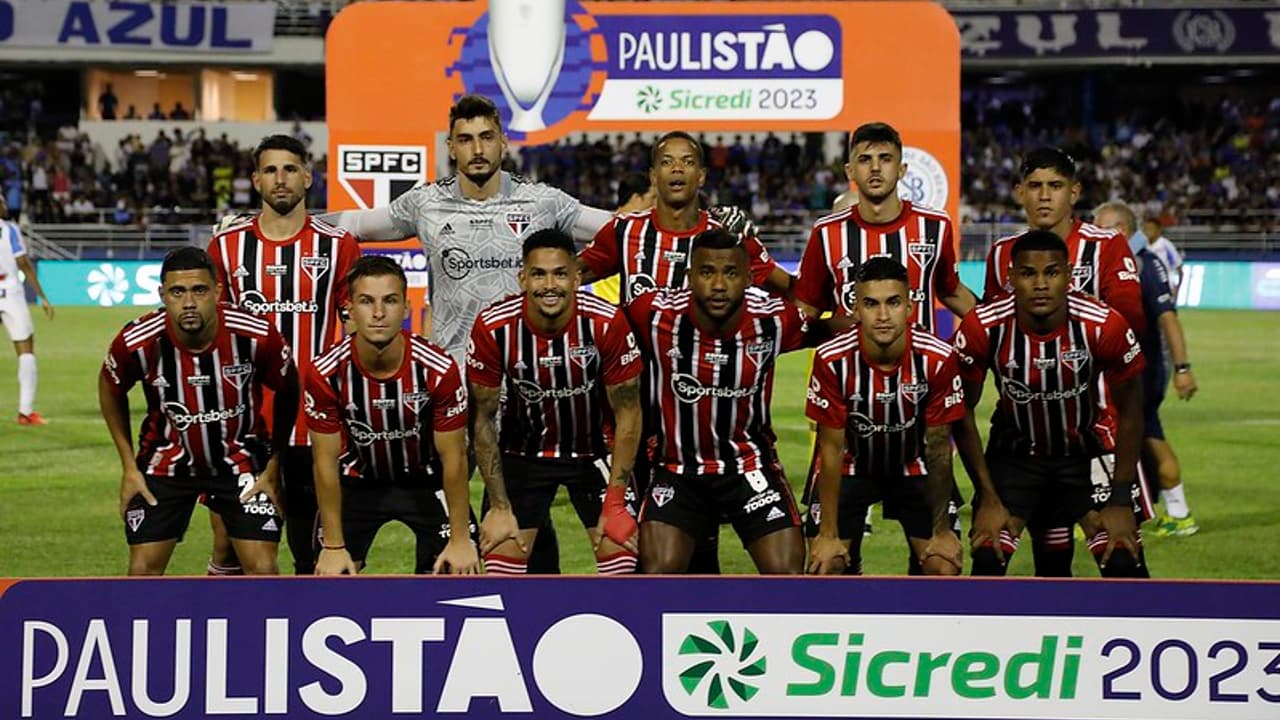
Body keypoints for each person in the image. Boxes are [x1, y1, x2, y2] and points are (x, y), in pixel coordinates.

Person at [321, 95, 617, 573]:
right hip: (451, 386)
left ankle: (530, 609)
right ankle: (435, 610)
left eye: (485, 137)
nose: (477, 148)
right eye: (465, 139)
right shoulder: (426, 203)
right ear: (450, 148)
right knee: (438, 507)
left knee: (524, 515)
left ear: (503, 142)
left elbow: (620, 230)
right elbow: (356, 224)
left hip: (526, 392)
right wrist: (277, 226)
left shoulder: (543, 202)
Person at [579, 131, 792, 574]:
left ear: (701, 174)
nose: (676, 169)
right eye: (667, 162)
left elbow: (788, 290)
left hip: (706, 411)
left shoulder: (728, 239)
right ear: (653, 174)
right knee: (649, 548)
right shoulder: (625, 231)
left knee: (701, 547)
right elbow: (570, 275)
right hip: (639, 412)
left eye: (687, 162)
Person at [793, 122, 977, 564]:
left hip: (919, 415)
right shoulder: (828, 233)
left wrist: (996, 328)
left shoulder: (934, 227)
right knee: (829, 562)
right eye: (865, 159)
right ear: (849, 169)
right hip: (848, 417)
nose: (875, 168)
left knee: (941, 561)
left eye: (885, 158)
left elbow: (951, 289)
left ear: (902, 167)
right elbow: (805, 307)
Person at [983, 147, 1147, 576]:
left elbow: (1129, 328)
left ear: (1074, 192)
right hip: (1026, 438)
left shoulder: (1107, 246)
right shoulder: (1003, 254)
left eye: (1054, 186)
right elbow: (996, 334)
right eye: (1034, 186)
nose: (1044, 196)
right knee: (1049, 555)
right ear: (1019, 192)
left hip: (1098, 432)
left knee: (1123, 557)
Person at [627, 228, 828, 574]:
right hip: (678, 471)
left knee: (788, 579)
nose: (719, 285)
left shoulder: (774, 320)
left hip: (749, 469)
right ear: (689, 277)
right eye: (707, 272)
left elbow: (831, 329)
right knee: (656, 577)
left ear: (749, 277)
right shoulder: (654, 314)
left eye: (731, 273)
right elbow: (603, 332)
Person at [208, 134, 361, 575]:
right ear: (256, 179)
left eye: (290, 169)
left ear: (307, 177)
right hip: (247, 424)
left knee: (313, 550)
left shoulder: (338, 246)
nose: (281, 179)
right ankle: (231, 635)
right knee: (231, 546)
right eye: (270, 170)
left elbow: (354, 329)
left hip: (317, 425)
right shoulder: (227, 245)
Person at [99, 247, 298, 575]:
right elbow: (109, 387)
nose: (188, 302)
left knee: (263, 570)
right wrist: (128, 467)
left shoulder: (255, 334)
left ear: (217, 291)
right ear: (162, 293)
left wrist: (275, 464)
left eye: (199, 290)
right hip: (164, 465)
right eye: (177, 292)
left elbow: (289, 389)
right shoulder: (137, 341)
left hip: (242, 462)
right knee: (141, 572)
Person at [468, 229, 644, 574]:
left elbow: (629, 413)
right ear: (523, 278)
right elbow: (483, 420)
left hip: (595, 453)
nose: (550, 285)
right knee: (500, 568)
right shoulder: (494, 327)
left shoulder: (606, 322)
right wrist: (500, 506)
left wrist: (617, 501)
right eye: (538, 274)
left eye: (560, 273)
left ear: (577, 277)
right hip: (522, 454)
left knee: (624, 562)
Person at [805, 257, 979, 576]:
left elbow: (939, 448)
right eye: (871, 304)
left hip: (915, 464)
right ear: (855, 309)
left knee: (943, 567)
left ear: (910, 307)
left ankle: (918, 575)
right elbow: (829, 450)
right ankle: (849, 562)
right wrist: (827, 535)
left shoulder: (938, 358)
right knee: (825, 565)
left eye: (893, 303)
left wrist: (941, 531)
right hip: (850, 465)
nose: (883, 316)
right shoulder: (831, 359)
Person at [306, 257, 480, 575]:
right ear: (349, 309)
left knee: (459, 571)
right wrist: (333, 546)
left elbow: (454, 458)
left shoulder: (437, 369)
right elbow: (324, 461)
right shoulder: (325, 372)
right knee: (331, 578)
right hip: (356, 483)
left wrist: (460, 539)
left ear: (405, 308)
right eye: (366, 301)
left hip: (426, 481)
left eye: (390, 300)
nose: (378, 313)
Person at [1094, 202, 1199, 536]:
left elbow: (1167, 318)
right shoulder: (1120, 262)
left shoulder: (1141, 263)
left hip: (1141, 370)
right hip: (1129, 368)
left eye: (1101, 226)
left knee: (1145, 433)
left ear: (1121, 230)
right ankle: (1169, 511)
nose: (1093, 232)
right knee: (1137, 434)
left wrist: (1183, 368)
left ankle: (1178, 513)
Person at [0, 196, 54, 425]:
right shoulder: (9, 230)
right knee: (25, 349)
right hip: (9, 289)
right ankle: (25, 411)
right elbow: (22, 262)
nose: (5, 205)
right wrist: (41, 295)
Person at [1143, 217, 1184, 296]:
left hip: (1165, 287)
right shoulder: (1143, 246)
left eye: (1150, 229)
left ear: (1158, 230)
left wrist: (1177, 288)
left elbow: (1179, 269)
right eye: (1145, 229)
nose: (1147, 232)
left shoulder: (1166, 245)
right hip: (1148, 287)